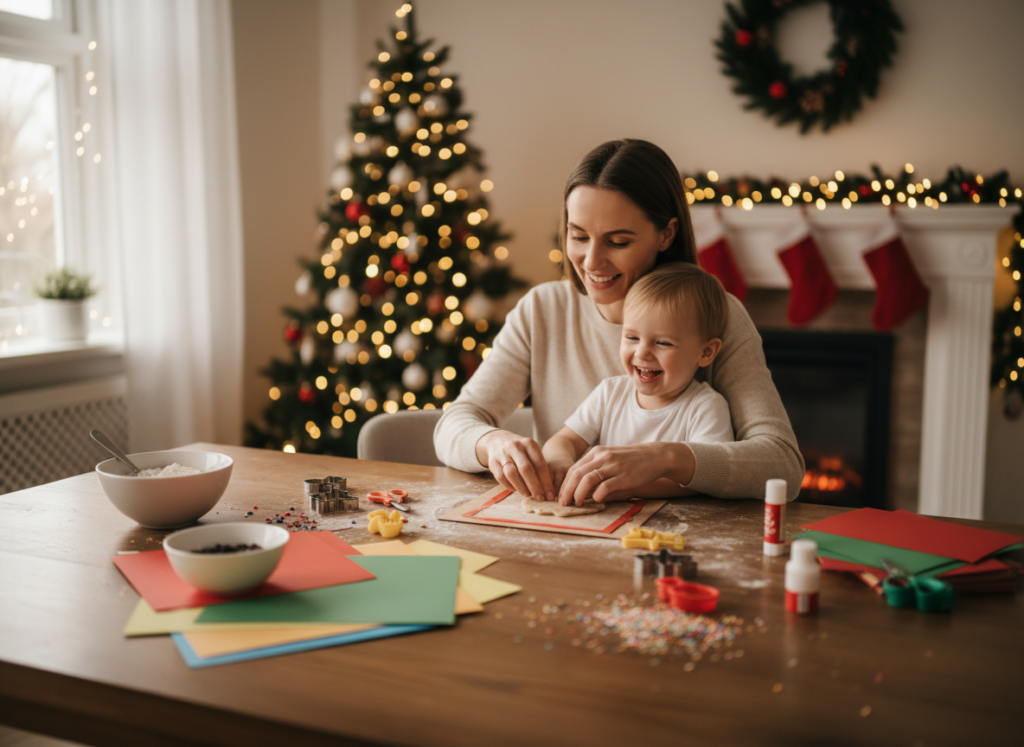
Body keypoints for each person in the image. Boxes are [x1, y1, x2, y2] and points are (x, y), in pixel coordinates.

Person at [433, 138, 804, 504]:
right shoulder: (543, 310)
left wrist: (666, 458)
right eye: (578, 236)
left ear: (666, 234)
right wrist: (492, 443)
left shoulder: (717, 316)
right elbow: (455, 422)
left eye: (618, 242)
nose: (592, 262)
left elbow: (782, 463)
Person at [543, 263, 734, 506]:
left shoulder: (706, 407)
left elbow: (704, 479)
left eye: (663, 343)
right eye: (632, 337)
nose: (642, 353)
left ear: (706, 352)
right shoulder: (610, 393)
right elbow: (564, 441)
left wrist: (631, 488)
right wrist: (560, 462)